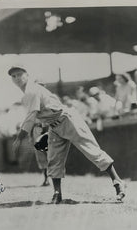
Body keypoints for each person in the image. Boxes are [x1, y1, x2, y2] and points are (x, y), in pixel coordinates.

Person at [8, 64, 126, 204]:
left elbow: (31, 117)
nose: (17, 78)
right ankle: (57, 193)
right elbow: (38, 115)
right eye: (13, 76)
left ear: (27, 75)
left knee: (91, 150)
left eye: (19, 74)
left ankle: (117, 181)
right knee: (53, 158)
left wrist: (19, 137)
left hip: (67, 119)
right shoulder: (26, 95)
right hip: (54, 126)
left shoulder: (32, 90)